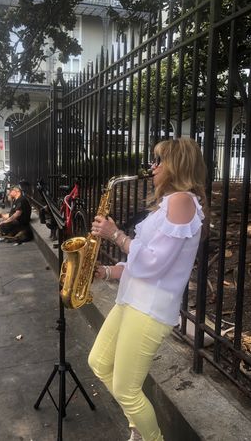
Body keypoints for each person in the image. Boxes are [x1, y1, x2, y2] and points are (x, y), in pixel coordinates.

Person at [88, 138, 207, 441]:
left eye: (159, 161)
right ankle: (138, 428)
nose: (152, 168)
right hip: (132, 300)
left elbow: (155, 263)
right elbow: (142, 265)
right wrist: (105, 272)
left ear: (177, 165)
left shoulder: (183, 201)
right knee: (99, 362)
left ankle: (149, 437)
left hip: (149, 310)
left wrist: (115, 234)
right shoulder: (168, 205)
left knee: (126, 389)